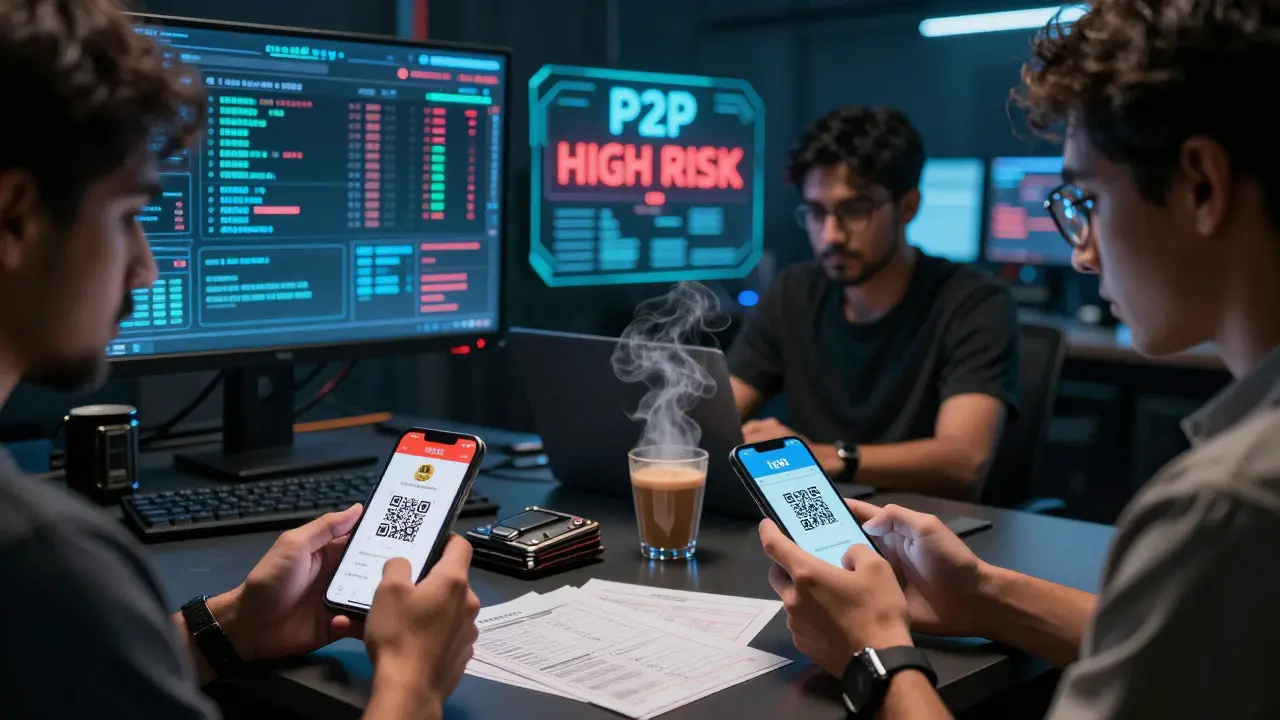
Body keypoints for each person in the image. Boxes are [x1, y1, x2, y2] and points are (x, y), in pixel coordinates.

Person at [760, 1, 1280, 718]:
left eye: (1087, 199)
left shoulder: (1227, 506)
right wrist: (982, 596)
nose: (1080, 250)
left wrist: (872, 653)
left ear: (1201, 185)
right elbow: (1192, 646)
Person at [0, 1, 479, 717]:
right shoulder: (43, 563)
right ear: (15, 215)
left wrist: (229, 630)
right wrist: (411, 679)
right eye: (129, 214)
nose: (146, 269)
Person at [728, 107, 1019, 500]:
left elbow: (964, 460)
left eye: (855, 211)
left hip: (928, 536)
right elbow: (718, 415)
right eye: (816, 212)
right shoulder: (793, 292)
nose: (831, 235)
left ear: (908, 207)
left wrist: (829, 457)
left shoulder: (973, 303)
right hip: (819, 520)